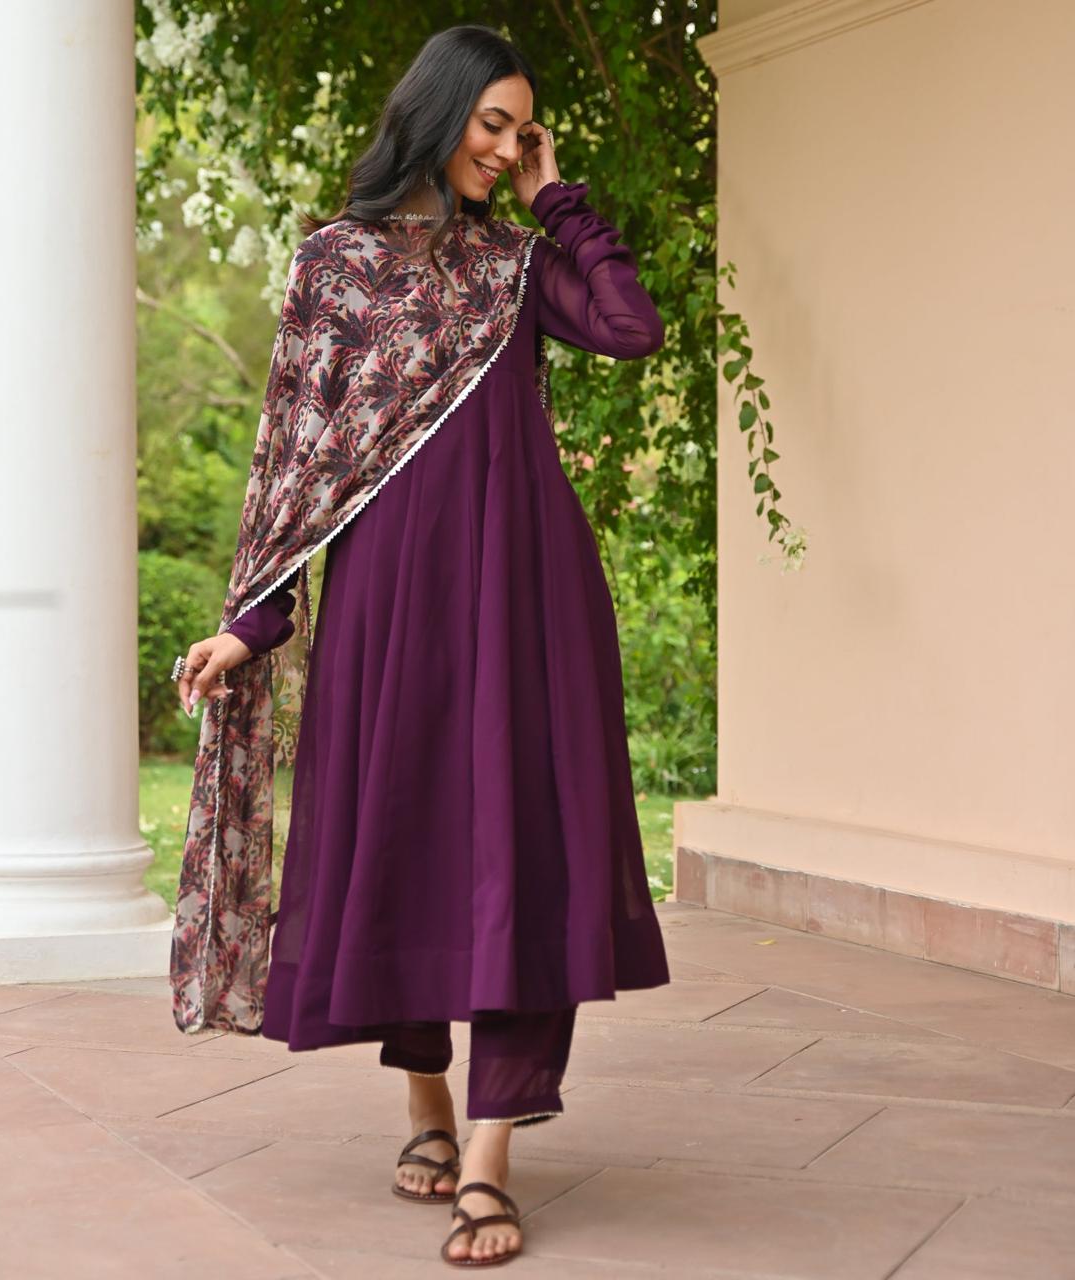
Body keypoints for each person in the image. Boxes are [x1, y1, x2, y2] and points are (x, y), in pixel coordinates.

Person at [169, 24, 670, 1268]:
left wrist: (558, 198)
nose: (504, 147)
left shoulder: (517, 261)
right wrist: (250, 623)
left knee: (523, 849)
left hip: (527, 593)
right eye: (491, 124)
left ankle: (488, 1159)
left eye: (521, 128)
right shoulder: (334, 266)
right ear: (438, 112)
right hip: (389, 603)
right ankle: (428, 1105)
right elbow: (296, 455)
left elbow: (630, 327)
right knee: (402, 841)